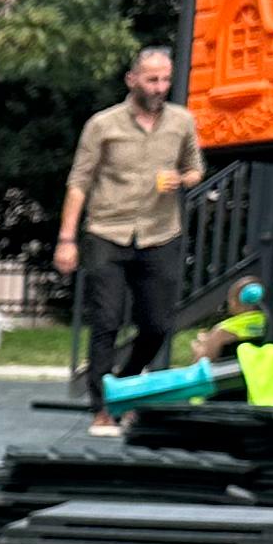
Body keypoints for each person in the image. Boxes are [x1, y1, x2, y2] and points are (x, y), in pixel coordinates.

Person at [58, 46, 204, 425]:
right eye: (152, 79)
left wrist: (183, 180)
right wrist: (66, 239)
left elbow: (194, 169)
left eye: (165, 79)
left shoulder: (181, 121)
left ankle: (122, 383)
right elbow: (79, 182)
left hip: (160, 233)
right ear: (132, 80)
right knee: (106, 321)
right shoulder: (103, 125)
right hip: (107, 231)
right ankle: (102, 408)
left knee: (157, 325)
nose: (160, 87)